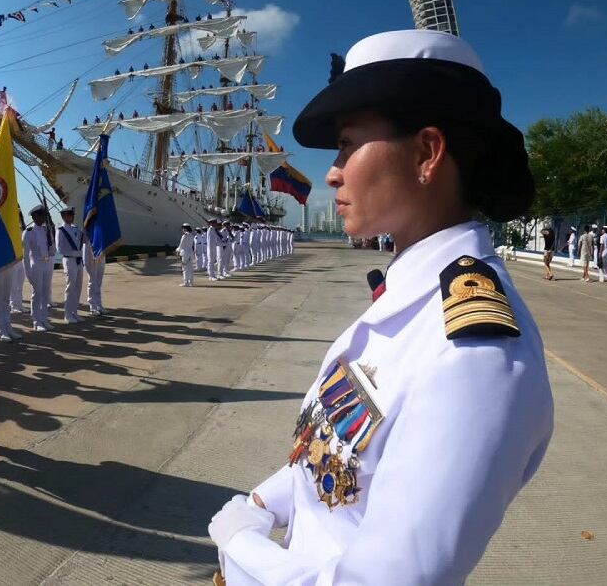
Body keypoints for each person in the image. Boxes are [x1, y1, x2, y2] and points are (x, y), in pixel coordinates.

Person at [208, 29, 553, 585]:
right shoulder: (408, 301)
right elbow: (339, 457)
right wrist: (267, 501)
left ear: (425, 153)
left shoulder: (475, 354)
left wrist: (243, 546)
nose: (332, 171)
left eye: (347, 143)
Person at [22, 204, 54, 330]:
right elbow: (25, 255)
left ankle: (44, 318)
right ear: (34, 217)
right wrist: (28, 272)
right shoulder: (28, 232)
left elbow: (52, 251)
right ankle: (36, 321)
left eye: (43, 215)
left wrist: (51, 241)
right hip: (36, 265)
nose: (42, 218)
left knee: (46, 293)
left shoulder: (47, 230)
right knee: (37, 293)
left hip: (46, 264)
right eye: (39, 215)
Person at [55, 206, 84, 323]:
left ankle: (74, 312)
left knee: (78, 287)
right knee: (70, 287)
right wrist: (76, 253)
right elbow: (60, 249)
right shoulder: (60, 230)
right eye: (69, 215)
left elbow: (83, 240)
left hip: (78, 261)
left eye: (72, 215)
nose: (71, 217)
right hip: (69, 260)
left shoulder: (76, 229)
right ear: (63, 216)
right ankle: (67, 315)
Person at [83, 230, 107, 315]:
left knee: (99, 282)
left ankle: (99, 305)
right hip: (91, 257)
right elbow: (85, 246)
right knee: (92, 281)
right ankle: (92, 306)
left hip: (101, 256)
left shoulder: (101, 230)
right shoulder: (88, 231)